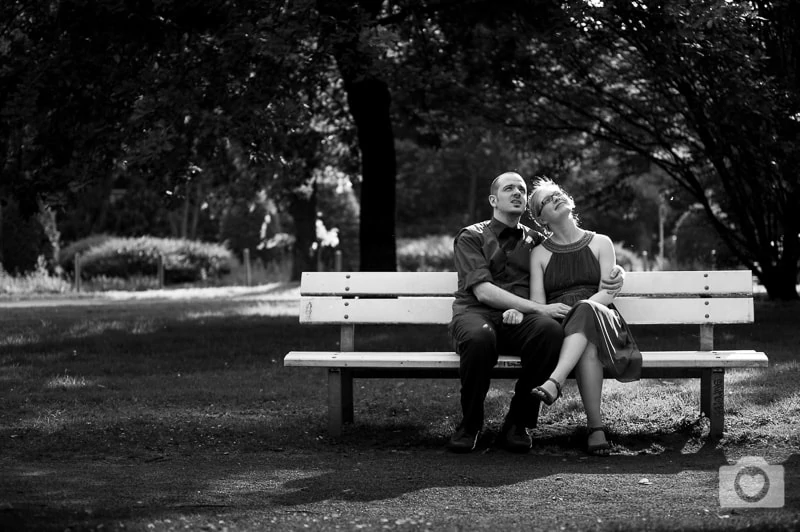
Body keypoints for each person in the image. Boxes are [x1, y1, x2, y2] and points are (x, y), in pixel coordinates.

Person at [447, 172, 624, 453]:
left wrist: (617, 274)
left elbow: (569, 259)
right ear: (494, 200)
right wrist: (532, 308)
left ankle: (518, 422)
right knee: (479, 339)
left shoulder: (537, 241)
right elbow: (483, 292)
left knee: (550, 332)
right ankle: (470, 424)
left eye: (521, 188)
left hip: (519, 320)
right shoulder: (472, 236)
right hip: (476, 315)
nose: (517, 192)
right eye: (509, 189)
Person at [506, 177, 642, 456]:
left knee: (587, 316)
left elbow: (607, 293)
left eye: (557, 193)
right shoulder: (540, 254)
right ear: (541, 219)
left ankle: (554, 382)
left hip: (602, 319)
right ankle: (596, 428)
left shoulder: (602, 243)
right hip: (562, 327)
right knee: (585, 345)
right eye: (547, 199)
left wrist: (583, 307)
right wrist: (527, 311)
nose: (555, 198)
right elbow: (538, 304)